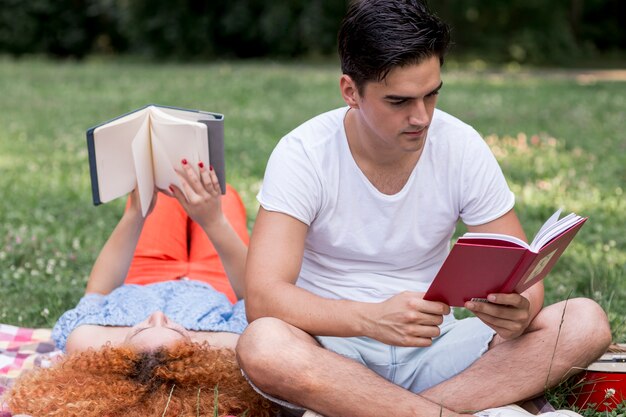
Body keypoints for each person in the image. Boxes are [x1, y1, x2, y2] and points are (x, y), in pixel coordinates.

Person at [235, 1, 612, 417]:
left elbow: (522, 272)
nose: (422, 117)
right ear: (350, 92)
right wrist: (371, 319)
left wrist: (521, 311)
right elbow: (264, 297)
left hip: (437, 348)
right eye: (399, 101)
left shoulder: (460, 145)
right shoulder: (303, 154)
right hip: (333, 352)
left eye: (431, 95)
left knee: (583, 321)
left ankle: (385, 410)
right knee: (264, 343)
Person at [3, 160, 277, 417]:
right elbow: (251, 295)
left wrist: (135, 214)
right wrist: (213, 221)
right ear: (196, 354)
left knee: (162, 195)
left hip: (145, 272)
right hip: (219, 278)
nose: (157, 314)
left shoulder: (88, 342)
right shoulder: (229, 347)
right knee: (224, 195)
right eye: (174, 327)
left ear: (118, 356)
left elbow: (98, 290)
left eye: (143, 326)